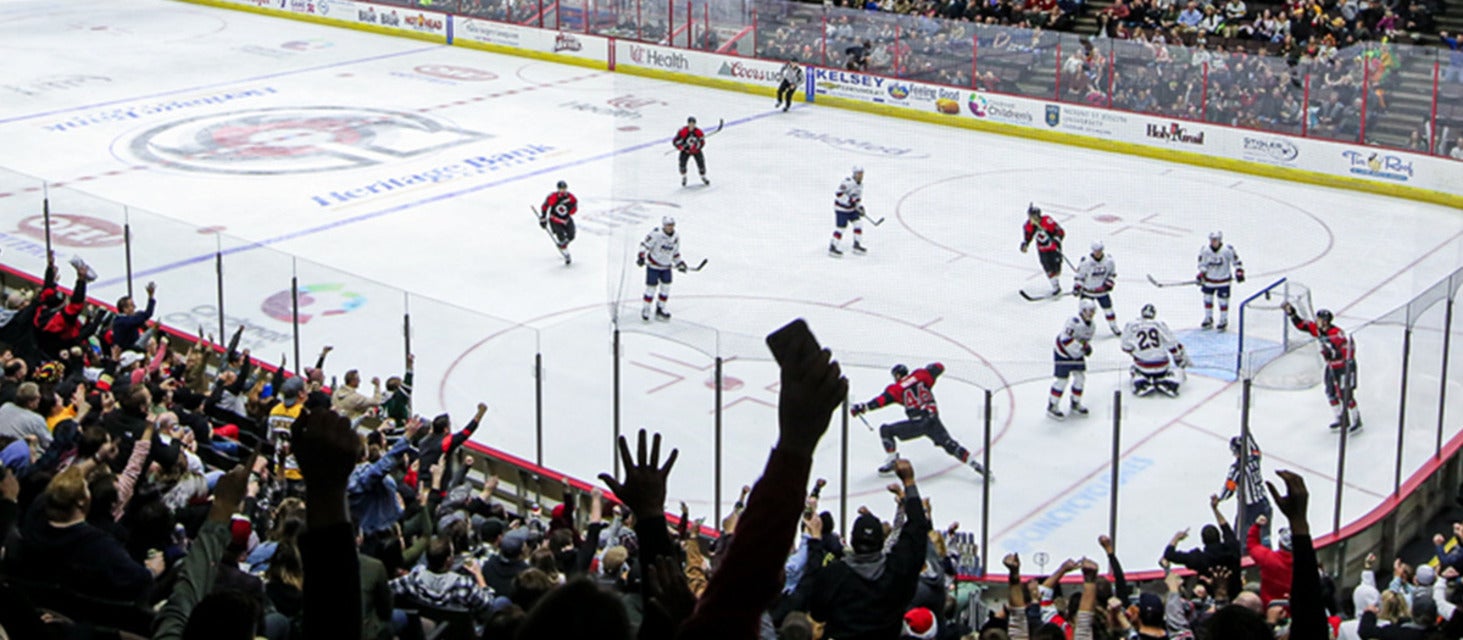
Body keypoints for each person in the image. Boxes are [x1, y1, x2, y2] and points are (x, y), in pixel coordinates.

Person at [796, 459, 931, 640]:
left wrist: (815, 540)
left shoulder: (834, 575)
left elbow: (817, 611)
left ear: (851, 540)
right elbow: (918, 530)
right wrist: (909, 483)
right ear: (882, 542)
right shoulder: (898, 569)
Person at [850, 363, 989, 479]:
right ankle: (975, 464)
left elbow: (880, 401)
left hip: (917, 423)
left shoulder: (896, 388)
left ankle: (892, 461)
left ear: (897, 376)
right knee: (950, 444)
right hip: (933, 419)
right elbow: (939, 367)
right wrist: (929, 370)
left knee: (886, 430)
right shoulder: (921, 375)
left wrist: (863, 407)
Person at [1282, 303, 1361, 432]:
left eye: (1319, 319)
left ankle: (1356, 419)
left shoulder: (1336, 333)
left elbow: (1348, 349)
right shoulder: (1317, 329)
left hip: (1344, 367)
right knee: (1330, 392)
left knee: (1345, 394)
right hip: (1331, 367)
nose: (1316, 321)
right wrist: (1292, 313)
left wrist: (1336, 355)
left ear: (1325, 322)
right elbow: (1302, 325)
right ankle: (1341, 418)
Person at [1121, 303, 1189, 397]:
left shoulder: (1131, 325)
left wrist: (1135, 353)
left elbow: (1125, 346)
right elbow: (1172, 344)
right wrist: (1178, 357)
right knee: (1179, 371)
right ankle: (1167, 381)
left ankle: (1141, 381)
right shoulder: (1160, 324)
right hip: (1162, 364)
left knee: (1133, 369)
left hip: (1143, 365)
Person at [1219, 432, 1271, 547]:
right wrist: (1247, 433)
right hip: (1263, 503)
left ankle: (1243, 559)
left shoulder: (1237, 469)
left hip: (1249, 509)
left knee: (1240, 538)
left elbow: (1229, 489)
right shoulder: (1255, 459)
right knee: (1264, 537)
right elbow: (1255, 448)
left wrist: (1219, 499)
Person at [1048, 299, 1096, 419]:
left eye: (1092, 311)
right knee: (1062, 381)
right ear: (1081, 310)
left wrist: (1084, 348)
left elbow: (1084, 341)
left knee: (1080, 377)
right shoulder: (1073, 321)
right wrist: (1083, 347)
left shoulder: (1092, 326)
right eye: (1087, 311)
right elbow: (1065, 339)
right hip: (1063, 353)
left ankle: (1075, 402)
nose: (1090, 313)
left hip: (1076, 354)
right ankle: (1052, 406)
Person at [637, 217, 688, 321]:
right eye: (668, 225)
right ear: (664, 225)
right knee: (651, 289)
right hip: (653, 266)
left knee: (666, 288)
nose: (670, 227)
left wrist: (680, 263)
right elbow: (644, 245)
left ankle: (660, 308)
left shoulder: (676, 237)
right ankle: (646, 309)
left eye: (672, 225)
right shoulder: (656, 234)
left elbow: (675, 253)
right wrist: (641, 257)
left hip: (666, 267)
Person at [1197, 230, 1245, 331]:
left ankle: (1223, 319)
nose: (1214, 242)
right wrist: (1201, 273)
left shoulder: (1227, 250)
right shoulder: (1205, 250)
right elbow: (1202, 264)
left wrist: (1239, 271)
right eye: (1212, 240)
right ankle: (1208, 318)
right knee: (1208, 300)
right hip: (1209, 281)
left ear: (1220, 240)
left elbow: (1236, 261)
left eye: (1216, 240)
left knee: (1223, 302)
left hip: (1223, 281)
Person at [1073, 240, 1121, 336]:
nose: (1098, 253)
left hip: (1102, 292)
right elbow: (1079, 276)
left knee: (1109, 310)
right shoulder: (1086, 262)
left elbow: (1112, 274)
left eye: (1099, 250)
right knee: (1085, 313)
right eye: (1096, 250)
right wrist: (1077, 286)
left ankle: (1113, 326)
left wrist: (1108, 284)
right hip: (1088, 292)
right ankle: (1082, 330)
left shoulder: (1109, 261)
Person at [1021, 204, 1066, 296]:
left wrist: (1057, 239)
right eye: (1030, 216)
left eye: (1033, 216)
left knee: (1057, 269)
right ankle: (1056, 287)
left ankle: (1056, 279)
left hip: (1054, 248)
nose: (1032, 219)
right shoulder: (1028, 226)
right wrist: (1025, 244)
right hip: (1043, 250)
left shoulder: (1047, 221)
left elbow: (1060, 231)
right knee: (1047, 268)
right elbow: (1027, 237)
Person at [829, 166, 867, 257]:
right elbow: (839, 194)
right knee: (841, 228)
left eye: (862, 173)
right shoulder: (847, 182)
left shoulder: (860, 185)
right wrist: (848, 201)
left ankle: (856, 245)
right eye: (859, 173)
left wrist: (859, 207)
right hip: (841, 209)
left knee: (858, 224)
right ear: (854, 174)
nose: (861, 175)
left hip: (852, 209)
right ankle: (833, 247)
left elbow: (857, 198)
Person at [111, 281, 157, 351]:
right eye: (132, 305)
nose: (135, 307)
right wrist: (150, 297)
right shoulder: (122, 321)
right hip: (128, 351)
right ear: (125, 309)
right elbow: (145, 315)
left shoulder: (124, 319)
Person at [540, 180, 578, 265]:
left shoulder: (571, 197)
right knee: (561, 237)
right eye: (561, 189)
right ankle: (566, 253)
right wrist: (543, 218)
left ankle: (564, 244)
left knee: (571, 235)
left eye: (564, 188)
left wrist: (571, 207)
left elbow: (574, 209)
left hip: (566, 219)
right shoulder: (552, 197)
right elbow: (545, 206)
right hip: (555, 220)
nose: (563, 190)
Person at [673, 116, 709, 187]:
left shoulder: (698, 132)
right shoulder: (683, 131)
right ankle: (684, 177)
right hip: (686, 151)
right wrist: (680, 147)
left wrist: (696, 148)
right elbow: (675, 141)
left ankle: (703, 177)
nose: (692, 125)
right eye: (690, 123)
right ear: (688, 123)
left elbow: (702, 143)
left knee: (701, 164)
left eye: (693, 123)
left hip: (696, 151)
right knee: (682, 164)